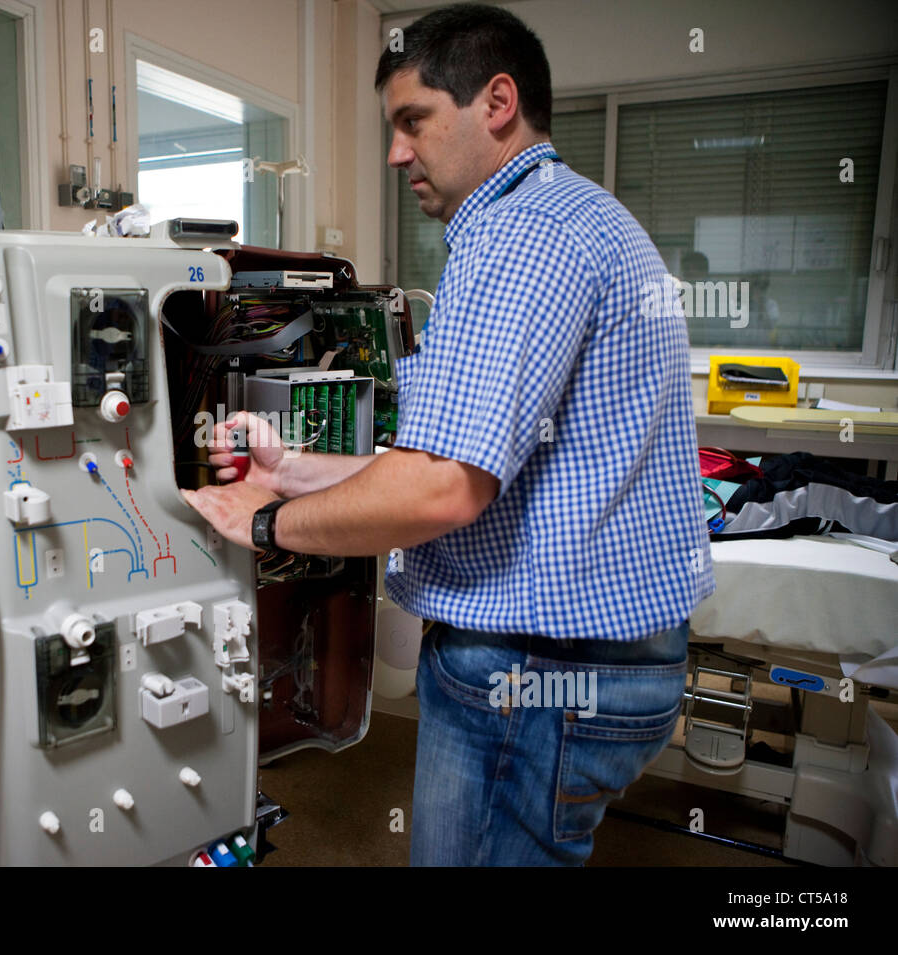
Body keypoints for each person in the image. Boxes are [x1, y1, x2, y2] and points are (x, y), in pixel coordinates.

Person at [182, 2, 715, 866]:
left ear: (496, 102)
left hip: (535, 675)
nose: (397, 153)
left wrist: (262, 523)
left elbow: (441, 489)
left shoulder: (517, 236)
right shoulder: (580, 214)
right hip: (598, 664)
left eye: (412, 121)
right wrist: (293, 471)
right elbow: (465, 466)